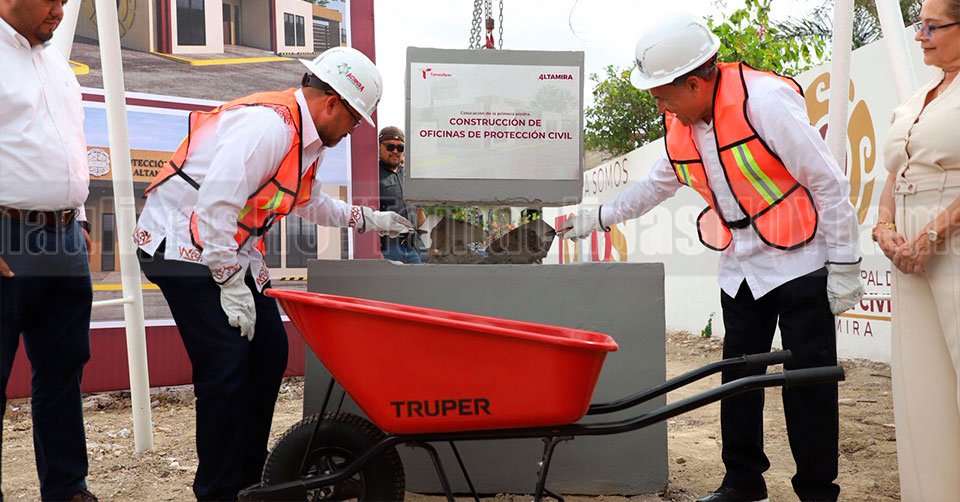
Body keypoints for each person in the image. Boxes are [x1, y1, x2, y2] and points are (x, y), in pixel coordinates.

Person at [561, 13, 863, 502]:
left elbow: (827, 181)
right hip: (741, 265)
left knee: (808, 382)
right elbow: (654, 187)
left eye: (663, 95)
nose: (660, 106)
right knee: (737, 379)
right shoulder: (683, 125)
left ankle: (816, 491)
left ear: (695, 83)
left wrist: (846, 262)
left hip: (799, 258)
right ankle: (743, 483)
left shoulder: (765, 101)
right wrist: (598, 217)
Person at [133, 46, 413, 500]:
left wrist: (367, 219)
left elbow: (307, 201)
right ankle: (220, 490)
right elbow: (215, 205)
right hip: (182, 245)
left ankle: (251, 475)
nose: (354, 130)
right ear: (332, 103)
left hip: (227, 247)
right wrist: (228, 280)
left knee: (268, 352)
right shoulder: (269, 126)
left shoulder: (307, 139)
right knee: (225, 363)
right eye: (355, 120)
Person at [0, 0, 98, 500]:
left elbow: (67, 141)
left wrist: (78, 218)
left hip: (63, 239)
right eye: (50, 0)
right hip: (6, 237)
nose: (60, 10)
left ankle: (67, 489)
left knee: (62, 372)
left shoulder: (56, 62)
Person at [874, 0, 960, 498]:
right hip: (907, 252)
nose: (920, 35)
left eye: (932, 26)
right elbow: (895, 171)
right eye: (918, 24)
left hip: (950, 242)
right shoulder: (918, 96)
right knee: (921, 388)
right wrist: (885, 225)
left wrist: (932, 235)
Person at [378, 126, 424, 263]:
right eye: (390, 147)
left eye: (400, 148)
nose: (395, 151)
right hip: (387, 249)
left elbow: (420, 213)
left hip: (413, 248)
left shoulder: (408, 175)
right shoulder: (373, 173)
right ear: (379, 147)